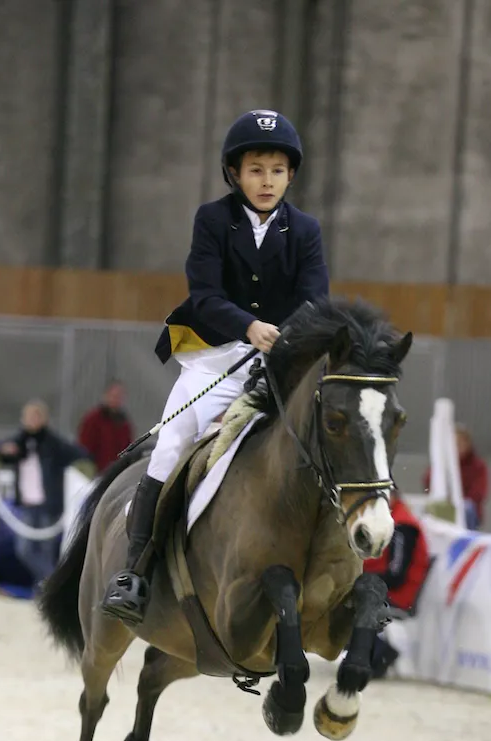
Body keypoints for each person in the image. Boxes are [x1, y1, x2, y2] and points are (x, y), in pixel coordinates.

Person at [101, 108, 329, 624]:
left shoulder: (306, 231)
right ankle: (135, 570)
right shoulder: (212, 220)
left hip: (282, 358)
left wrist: (284, 338)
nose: (266, 181)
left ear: (290, 174)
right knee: (174, 442)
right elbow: (203, 295)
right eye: (255, 169)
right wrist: (249, 329)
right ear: (235, 174)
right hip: (218, 357)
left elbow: (315, 299)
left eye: (276, 170)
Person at [0, 401, 90, 587]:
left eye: (36, 416)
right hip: (28, 504)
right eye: (29, 417)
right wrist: (2, 449)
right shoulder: (19, 441)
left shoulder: (53, 443)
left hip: (49, 505)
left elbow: (80, 453)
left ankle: (46, 587)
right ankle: (51, 583)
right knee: (24, 549)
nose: (33, 421)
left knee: (45, 550)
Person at [363, 494, 432, 679]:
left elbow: (396, 574)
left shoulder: (403, 526)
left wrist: (362, 579)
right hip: (390, 589)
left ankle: (380, 652)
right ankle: (377, 652)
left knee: (353, 597)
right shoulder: (398, 520)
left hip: (399, 594)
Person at [423, 423, 489, 530]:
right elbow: (427, 482)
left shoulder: (478, 466)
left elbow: (479, 492)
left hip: (466, 508)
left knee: (467, 508)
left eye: (460, 443)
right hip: (446, 503)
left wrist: (457, 500)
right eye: (454, 444)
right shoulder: (442, 464)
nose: (458, 447)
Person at [77, 380, 134, 474]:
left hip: (116, 474)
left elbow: (128, 449)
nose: (116, 400)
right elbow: (84, 448)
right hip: (95, 473)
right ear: (106, 396)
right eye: (113, 396)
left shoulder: (125, 424)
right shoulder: (93, 419)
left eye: (119, 396)